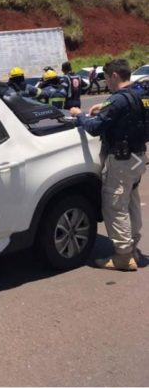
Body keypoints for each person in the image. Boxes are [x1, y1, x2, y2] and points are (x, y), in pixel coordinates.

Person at [69, 59, 149, 271]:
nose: (106, 82)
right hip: (138, 155)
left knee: (115, 205)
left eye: (106, 78)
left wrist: (80, 116)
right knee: (131, 200)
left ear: (114, 76)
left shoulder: (119, 100)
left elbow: (95, 127)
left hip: (121, 160)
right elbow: (123, 110)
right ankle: (132, 247)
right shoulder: (140, 94)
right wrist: (103, 106)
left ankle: (123, 255)